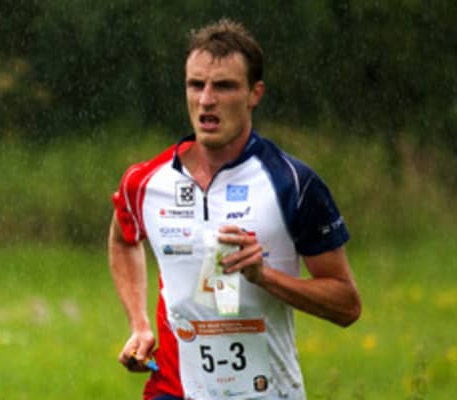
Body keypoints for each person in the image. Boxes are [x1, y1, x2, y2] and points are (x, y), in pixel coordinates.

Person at [108, 19, 362, 400]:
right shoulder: (146, 182)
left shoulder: (293, 184)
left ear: (254, 94)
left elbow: (347, 305)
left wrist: (265, 277)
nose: (206, 100)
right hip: (174, 390)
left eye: (224, 86)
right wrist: (140, 324)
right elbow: (122, 236)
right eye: (196, 85)